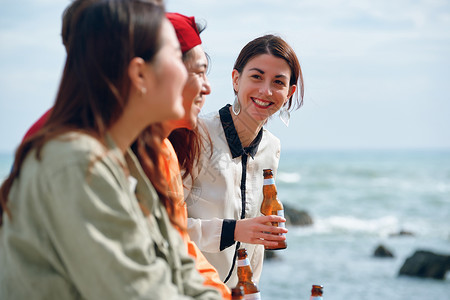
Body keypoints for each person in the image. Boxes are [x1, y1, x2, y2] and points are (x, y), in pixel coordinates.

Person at [0, 0, 221, 299]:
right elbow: (141, 292)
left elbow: (179, 266)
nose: (195, 81)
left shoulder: (128, 158)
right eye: (175, 57)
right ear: (140, 75)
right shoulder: (77, 164)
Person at [183, 34, 304, 288]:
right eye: (256, 77)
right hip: (188, 289)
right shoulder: (196, 134)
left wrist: (250, 289)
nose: (266, 91)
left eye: (278, 82)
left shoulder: (272, 148)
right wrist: (233, 230)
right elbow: (165, 226)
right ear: (236, 79)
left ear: (289, 92)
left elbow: (254, 245)